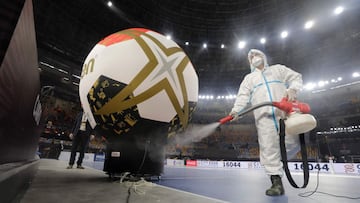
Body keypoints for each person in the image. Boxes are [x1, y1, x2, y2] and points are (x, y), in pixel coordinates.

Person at [229, 49, 303, 196]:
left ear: (263, 56)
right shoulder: (249, 79)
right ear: (250, 62)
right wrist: (236, 110)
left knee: (292, 144)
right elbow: (242, 97)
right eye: (251, 57)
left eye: (257, 55)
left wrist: (293, 89)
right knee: (269, 149)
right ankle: (277, 183)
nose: (254, 58)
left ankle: (280, 167)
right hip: (263, 118)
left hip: (285, 113)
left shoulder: (278, 69)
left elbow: (296, 77)